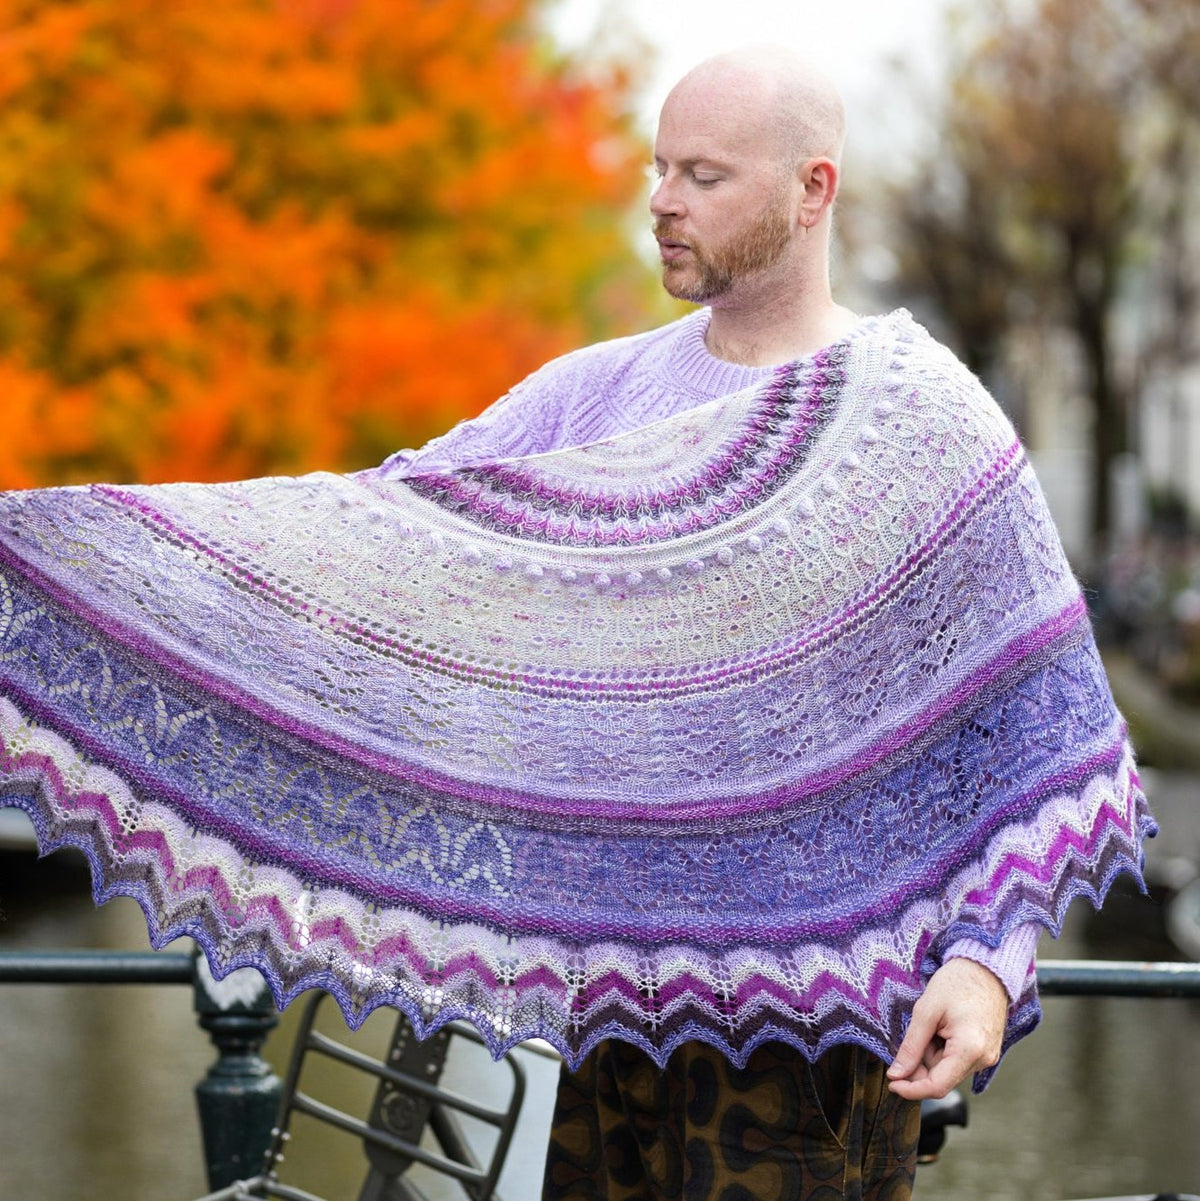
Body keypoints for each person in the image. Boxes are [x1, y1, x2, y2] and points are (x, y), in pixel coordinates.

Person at [0, 43, 1152, 1201]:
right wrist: (59, 552)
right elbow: (373, 540)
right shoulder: (592, 398)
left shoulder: (925, 423)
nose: (660, 200)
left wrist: (988, 966)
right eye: (658, 167)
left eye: (703, 175)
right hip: (608, 1013)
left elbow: (1025, 734)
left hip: (818, 1040)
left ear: (814, 190)